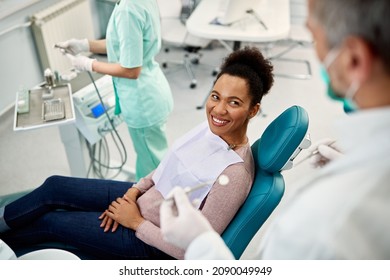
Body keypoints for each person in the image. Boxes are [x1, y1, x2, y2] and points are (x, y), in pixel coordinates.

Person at [160, 0, 390, 259]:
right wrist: (354, 162)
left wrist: (200, 245)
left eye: (315, 40)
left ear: (354, 60)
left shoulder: (326, 224)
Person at [0, 47, 274, 260]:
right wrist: (134, 191)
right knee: (55, 186)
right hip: (142, 199)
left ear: (253, 110)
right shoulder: (209, 130)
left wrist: (135, 221)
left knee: (51, 223)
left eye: (234, 102)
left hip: (149, 242)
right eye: (215, 96)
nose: (218, 110)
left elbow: (192, 251)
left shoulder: (234, 175)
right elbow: (169, 166)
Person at [56, 0, 174, 181]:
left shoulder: (129, 8)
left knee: (153, 169)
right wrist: (85, 45)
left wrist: (89, 64)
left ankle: (152, 205)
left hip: (143, 101)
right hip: (153, 90)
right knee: (153, 156)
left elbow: (131, 70)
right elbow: (122, 42)